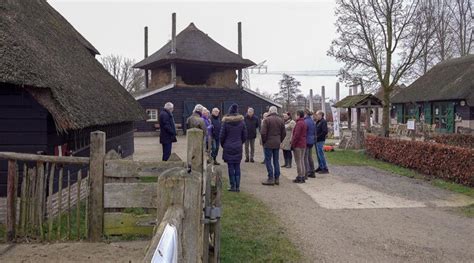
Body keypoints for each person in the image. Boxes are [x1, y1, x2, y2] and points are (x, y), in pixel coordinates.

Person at [220, 104, 247, 192]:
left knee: (230, 166)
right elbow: (245, 135)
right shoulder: (242, 122)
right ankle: (237, 186)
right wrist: (240, 142)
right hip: (238, 145)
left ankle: (232, 186)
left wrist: (223, 144)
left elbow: (222, 136)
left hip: (228, 146)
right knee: (237, 166)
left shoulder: (225, 122)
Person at [261, 106, 286, 186]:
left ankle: (270, 178)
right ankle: (277, 178)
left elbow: (263, 132)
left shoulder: (266, 120)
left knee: (268, 161)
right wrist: (280, 140)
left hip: (268, 143)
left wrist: (264, 141)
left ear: (270, 111)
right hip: (277, 142)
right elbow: (284, 133)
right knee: (276, 161)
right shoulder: (281, 120)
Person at [292, 110, 307, 183]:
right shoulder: (304, 122)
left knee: (298, 161)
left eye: (296, 115)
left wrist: (293, 144)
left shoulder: (298, 123)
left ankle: (300, 176)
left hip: (298, 144)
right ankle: (303, 176)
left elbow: (296, 135)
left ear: (298, 115)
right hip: (303, 143)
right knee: (301, 160)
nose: (295, 116)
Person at [304, 109, 316, 179]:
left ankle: (307, 172)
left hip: (306, 140)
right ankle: (312, 172)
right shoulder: (312, 121)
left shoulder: (305, 121)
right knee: (310, 157)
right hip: (311, 141)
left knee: (305, 157)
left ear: (305, 114)